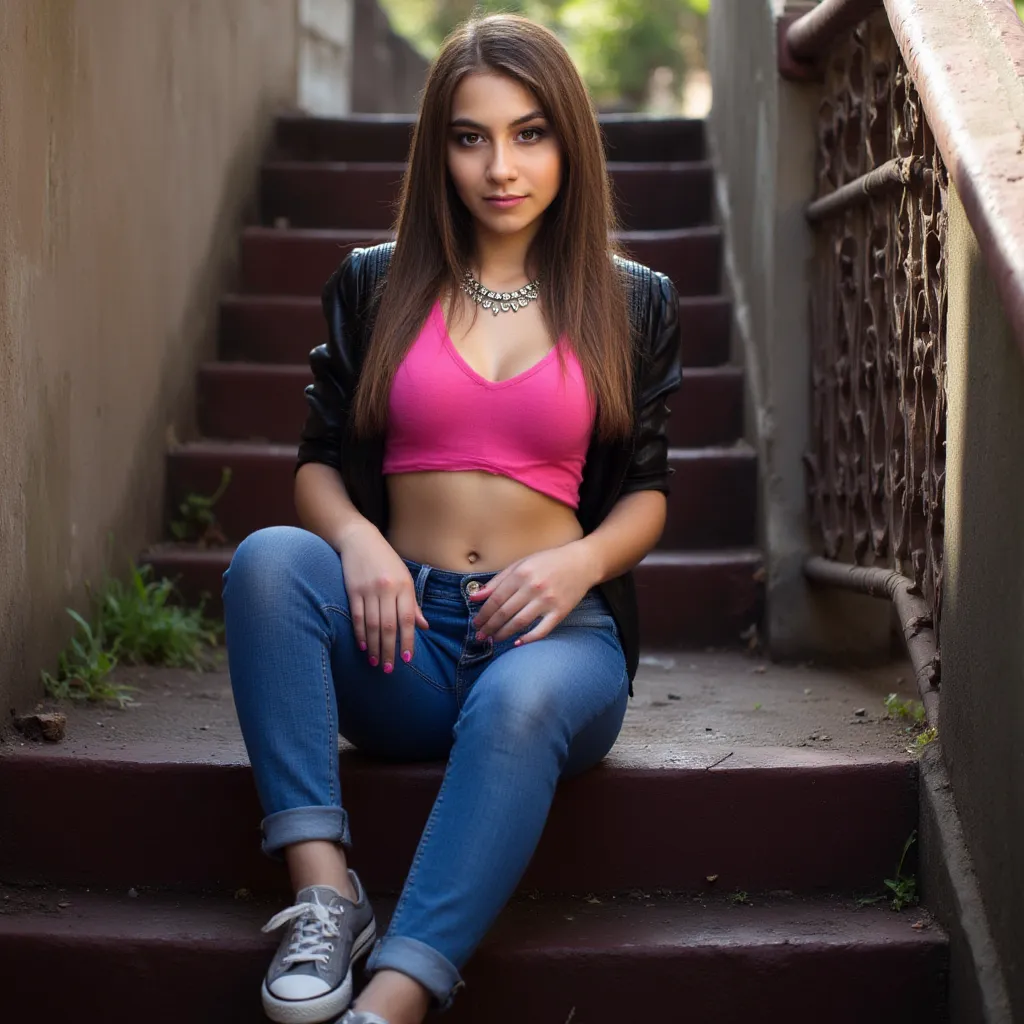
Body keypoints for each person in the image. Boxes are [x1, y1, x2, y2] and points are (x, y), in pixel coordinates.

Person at [223, 13, 682, 1024]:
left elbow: (646, 490)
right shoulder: (377, 282)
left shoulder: (629, 299)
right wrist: (360, 543)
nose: (500, 165)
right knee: (266, 562)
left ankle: (392, 999)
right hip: (403, 641)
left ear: (568, 140)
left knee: (517, 706)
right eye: (470, 137)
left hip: (554, 640)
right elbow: (315, 469)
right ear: (439, 148)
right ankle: (323, 892)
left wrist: (577, 565)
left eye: (529, 133)